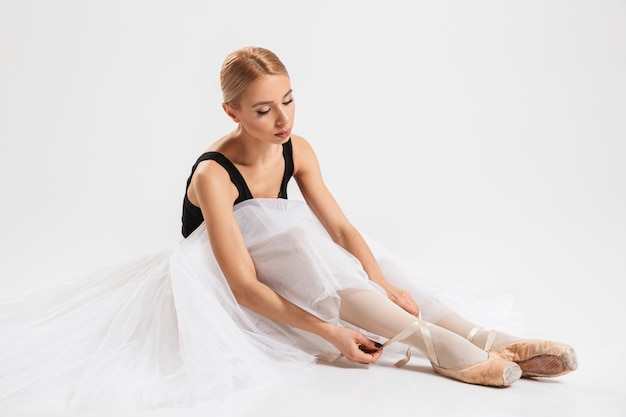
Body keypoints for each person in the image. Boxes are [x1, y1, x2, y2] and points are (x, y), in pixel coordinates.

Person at [0, 46, 577, 413]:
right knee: (296, 236)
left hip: (292, 256)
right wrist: (331, 333)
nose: (283, 119)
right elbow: (243, 285)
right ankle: (441, 350)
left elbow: (346, 231)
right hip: (222, 276)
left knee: (357, 253)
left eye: (289, 101)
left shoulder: (295, 148)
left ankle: (485, 338)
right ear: (231, 113)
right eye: (262, 110)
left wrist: (378, 283)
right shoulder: (212, 175)